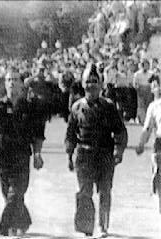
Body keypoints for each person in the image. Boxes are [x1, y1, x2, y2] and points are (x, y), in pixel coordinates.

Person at [65, 63, 128, 237]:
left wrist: (118, 151)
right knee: (85, 192)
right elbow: (70, 134)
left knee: (105, 191)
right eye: (88, 82)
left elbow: (120, 131)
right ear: (83, 84)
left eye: (95, 82)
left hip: (104, 155)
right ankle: (86, 227)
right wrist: (69, 156)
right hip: (84, 155)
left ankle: (103, 226)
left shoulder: (108, 106)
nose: (91, 86)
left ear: (101, 85)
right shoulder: (77, 107)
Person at [0, 70, 44, 236]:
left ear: (22, 84)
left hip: (21, 157)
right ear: (4, 84)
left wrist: (37, 154)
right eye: (8, 80)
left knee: (16, 193)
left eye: (15, 80)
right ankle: (24, 221)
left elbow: (38, 134)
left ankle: (3, 229)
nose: (11, 83)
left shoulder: (31, 107)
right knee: (9, 195)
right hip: (3, 157)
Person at [136, 84, 161, 213]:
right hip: (160, 142)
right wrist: (141, 143)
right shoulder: (155, 106)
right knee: (158, 172)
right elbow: (148, 128)